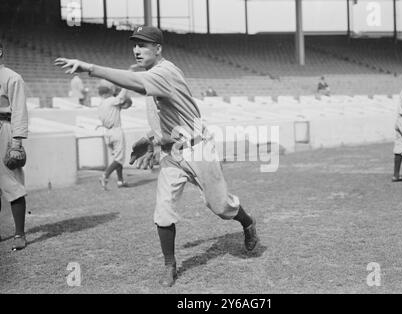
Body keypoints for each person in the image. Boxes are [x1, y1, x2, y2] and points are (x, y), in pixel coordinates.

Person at [54, 26, 259, 287]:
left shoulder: (165, 72)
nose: (137, 50)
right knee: (163, 210)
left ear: (158, 48)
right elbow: (165, 121)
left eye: (144, 45)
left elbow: (137, 84)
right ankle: (169, 265)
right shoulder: (153, 75)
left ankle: (247, 222)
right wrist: (150, 139)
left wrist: (89, 67)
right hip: (173, 153)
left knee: (221, 206)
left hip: (198, 148)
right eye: (135, 45)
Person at [0, 41, 29, 250]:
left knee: (11, 180)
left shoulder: (12, 77)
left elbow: (19, 109)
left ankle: (19, 233)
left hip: (5, 127)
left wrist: (16, 142)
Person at [96, 79, 132, 190]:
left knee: (117, 157)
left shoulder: (101, 104)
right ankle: (105, 176)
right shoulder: (112, 100)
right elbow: (123, 98)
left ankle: (120, 180)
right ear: (109, 92)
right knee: (119, 159)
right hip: (116, 131)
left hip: (107, 133)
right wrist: (125, 84)